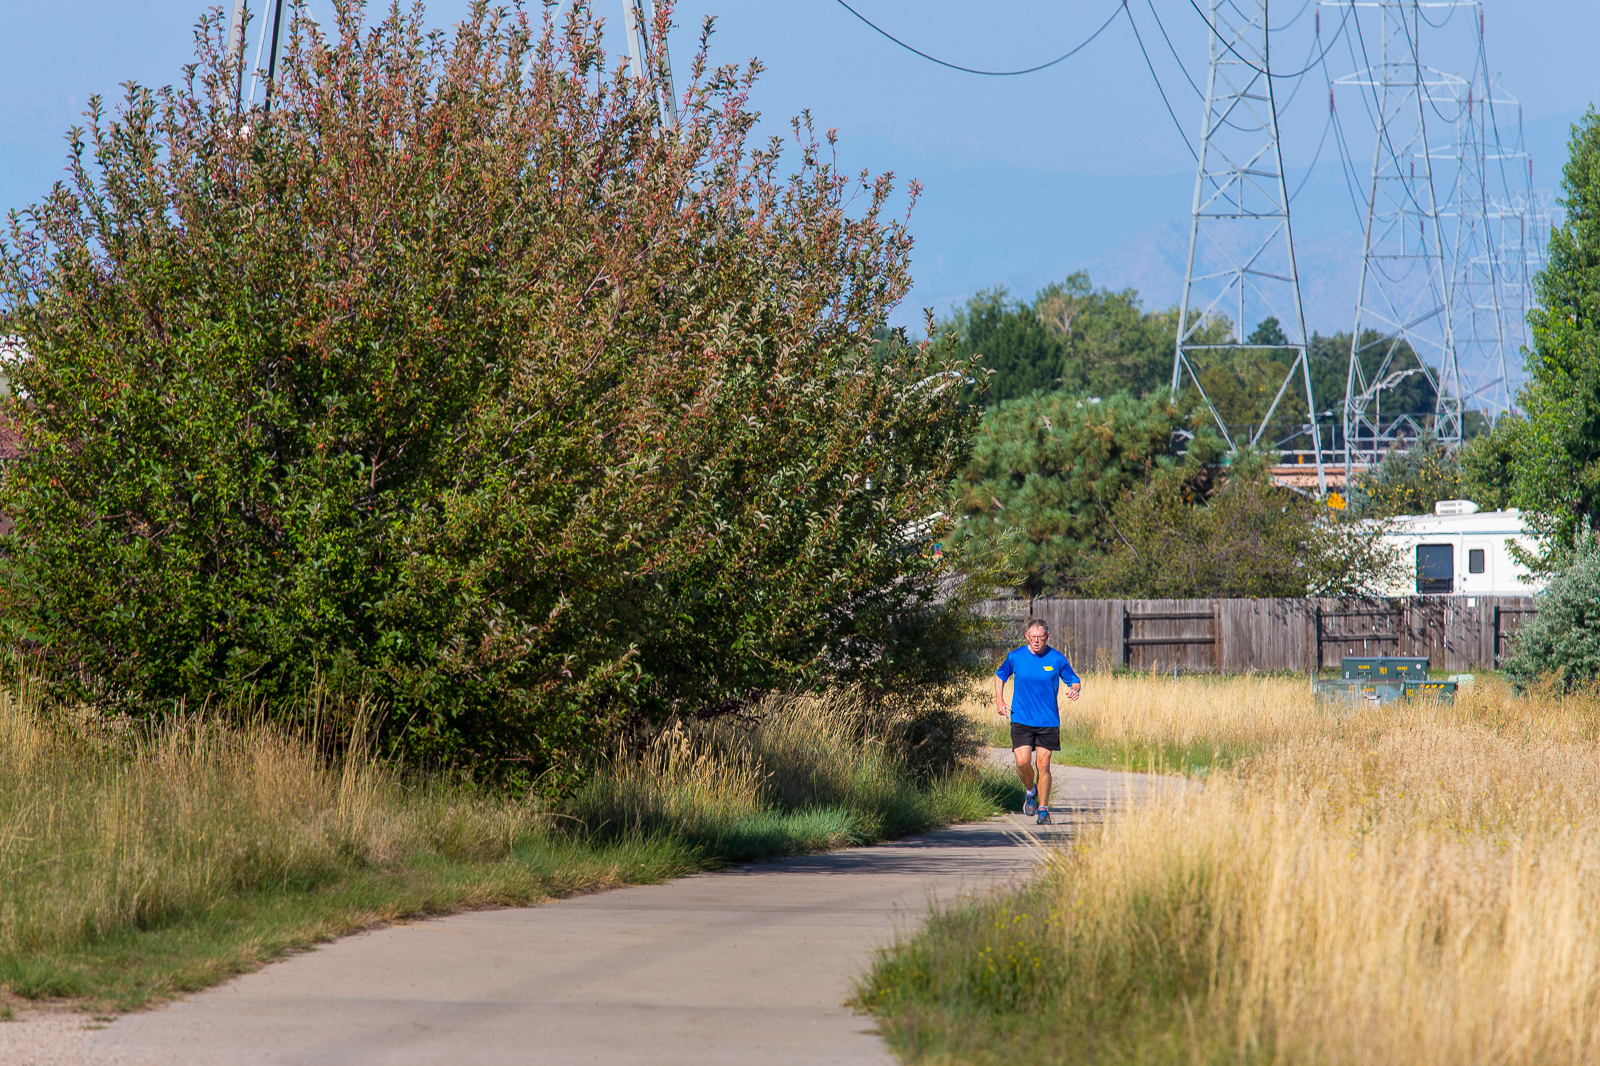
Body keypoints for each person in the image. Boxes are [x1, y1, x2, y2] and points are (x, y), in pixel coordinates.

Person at [994, 618, 1081, 825]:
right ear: (1026, 636)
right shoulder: (1015, 657)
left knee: (1043, 765)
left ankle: (1043, 810)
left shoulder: (1056, 658)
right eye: (1032, 637)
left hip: (1048, 721)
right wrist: (999, 700)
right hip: (1021, 718)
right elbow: (1000, 676)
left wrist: (1074, 690)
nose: (1036, 641)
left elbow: (1074, 680)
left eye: (1040, 637)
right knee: (1022, 762)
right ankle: (1030, 790)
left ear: (1047, 637)